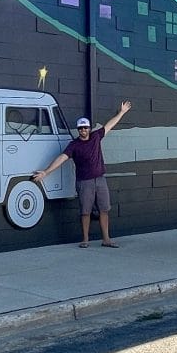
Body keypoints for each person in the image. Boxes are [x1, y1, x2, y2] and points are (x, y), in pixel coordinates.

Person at [33, 101, 132, 248]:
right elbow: (61, 158)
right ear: (78, 130)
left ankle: (106, 240)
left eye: (85, 128)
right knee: (85, 211)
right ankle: (85, 240)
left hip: (100, 180)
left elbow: (110, 125)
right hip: (84, 182)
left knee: (104, 210)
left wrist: (121, 112)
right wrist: (46, 172)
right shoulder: (74, 145)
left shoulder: (96, 137)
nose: (83, 130)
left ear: (89, 128)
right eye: (80, 128)